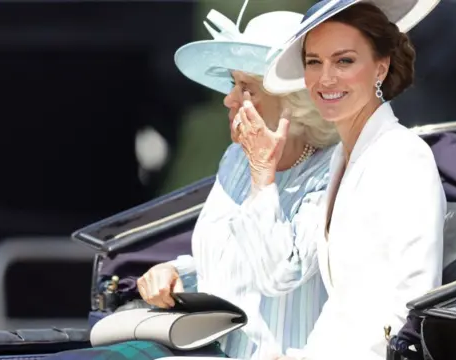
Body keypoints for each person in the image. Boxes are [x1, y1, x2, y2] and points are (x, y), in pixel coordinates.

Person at [236, 0, 445, 359]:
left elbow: (412, 307)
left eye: (344, 61)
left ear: (380, 67)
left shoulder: (404, 157)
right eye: (314, 62)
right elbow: (333, 301)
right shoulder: (341, 158)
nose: (326, 78)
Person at [136, 5, 340, 360]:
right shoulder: (236, 159)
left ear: (295, 104)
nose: (228, 98)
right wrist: (176, 273)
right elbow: (227, 258)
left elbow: (280, 274)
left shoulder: (334, 172)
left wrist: (264, 176)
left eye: (246, 87)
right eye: (233, 83)